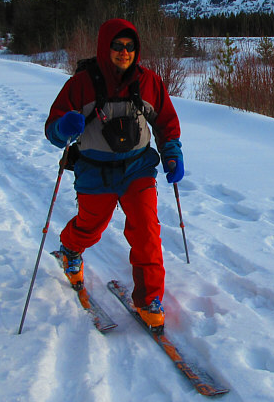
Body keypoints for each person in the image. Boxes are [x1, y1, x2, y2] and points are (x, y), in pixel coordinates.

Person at [45, 18, 184, 331]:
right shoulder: (80, 85)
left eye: (130, 46)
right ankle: (70, 249)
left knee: (146, 229)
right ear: (104, 47)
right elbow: (53, 130)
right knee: (91, 227)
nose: (125, 52)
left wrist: (172, 153)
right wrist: (63, 127)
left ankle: (149, 298)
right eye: (118, 46)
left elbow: (165, 121)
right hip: (94, 171)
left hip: (138, 168)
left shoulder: (148, 82)